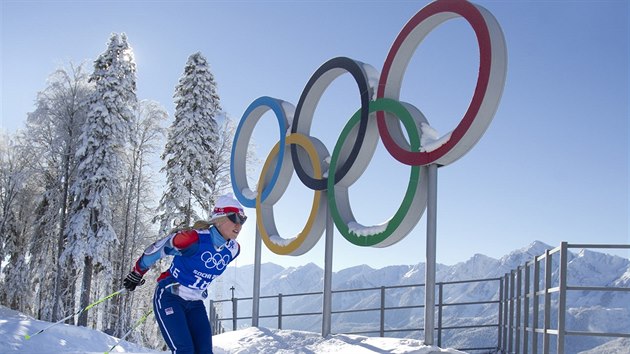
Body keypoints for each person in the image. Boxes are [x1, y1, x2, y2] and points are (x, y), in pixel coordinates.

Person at [123, 193, 247, 354]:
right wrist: (137, 272)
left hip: (195, 303)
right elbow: (158, 249)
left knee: (204, 352)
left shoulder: (233, 250)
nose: (239, 224)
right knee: (185, 350)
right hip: (170, 297)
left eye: (243, 220)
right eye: (235, 218)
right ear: (219, 218)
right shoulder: (193, 239)